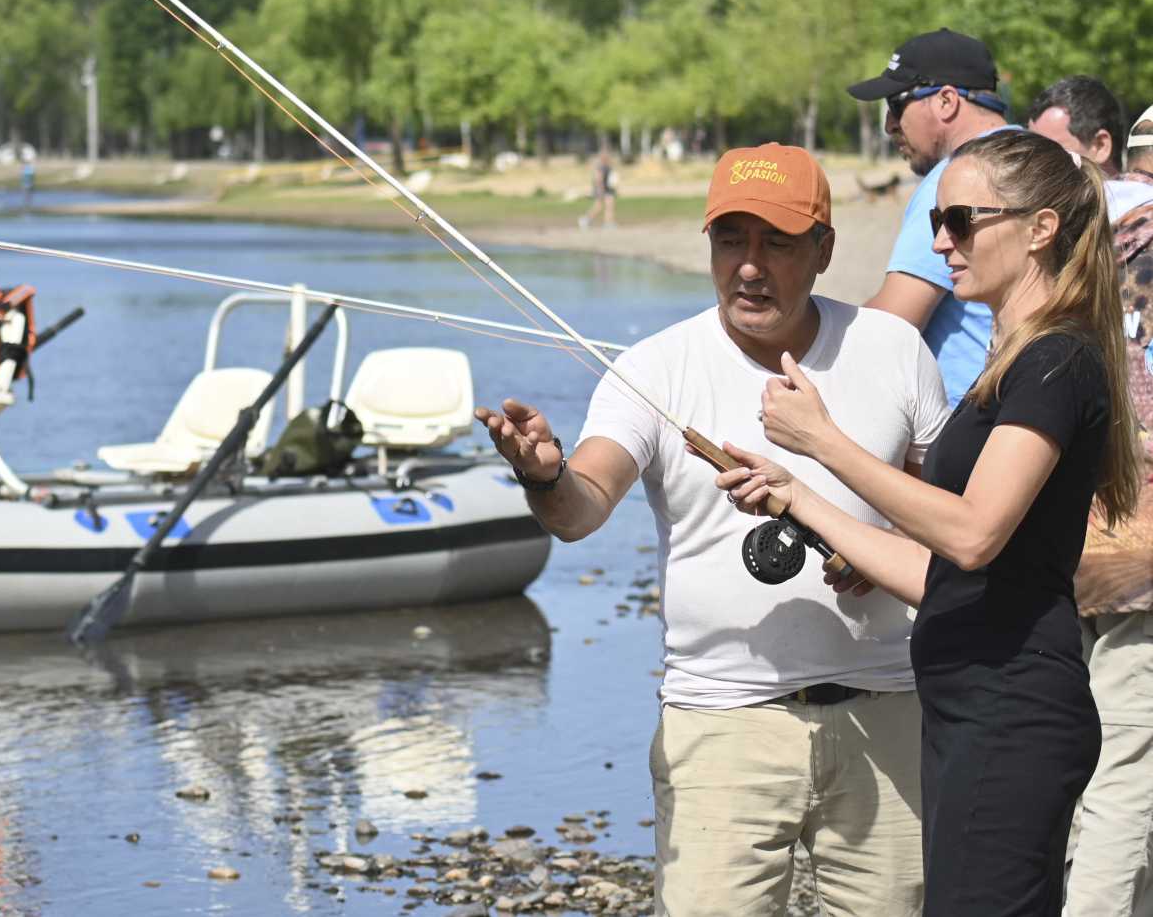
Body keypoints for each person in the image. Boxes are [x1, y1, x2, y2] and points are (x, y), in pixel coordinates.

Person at [479, 143, 948, 916]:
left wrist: (879, 549)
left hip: (891, 709)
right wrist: (542, 474)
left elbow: (946, 518)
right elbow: (582, 505)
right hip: (720, 721)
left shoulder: (894, 349)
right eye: (731, 239)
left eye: (776, 241)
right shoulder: (656, 366)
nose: (749, 266)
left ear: (824, 249)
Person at [717, 130, 1137, 916]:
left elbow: (973, 530)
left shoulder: (1056, 361)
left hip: (1013, 710)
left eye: (960, 220)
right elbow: (943, 572)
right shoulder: (1010, 365)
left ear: (1040, 228)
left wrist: (825, 442)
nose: (940, 239)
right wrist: (794, 492)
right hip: (971, 706)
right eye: (938, 219)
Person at [1065, 100, 1153, 917]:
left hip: (1073, 535)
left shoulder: (1074, 238)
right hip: (1144, 562)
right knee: (1127, 776)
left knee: (1090, 764)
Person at [848, 28, 1015, 405]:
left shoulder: (955, 177)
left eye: (896, 104)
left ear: (945, 101)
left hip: (970, 420)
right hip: (1031, 404)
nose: (890, 124)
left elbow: (891, 325)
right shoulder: (1037, 161)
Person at [1026, 74, 1153, 220]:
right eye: (1031, 152)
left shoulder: (1142, 223)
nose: (1034, 165)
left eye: (1051, 151)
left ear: (1100, 146)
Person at [579, 146, 617, 228]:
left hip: (608, 189)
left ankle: (608, 223)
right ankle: (585, 219)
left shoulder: (607, 165)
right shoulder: (600, 166)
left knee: (609, 205)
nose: (609, 156)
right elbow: (598, 179)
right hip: (602, 189)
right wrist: (601, 190)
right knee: (599, 206)